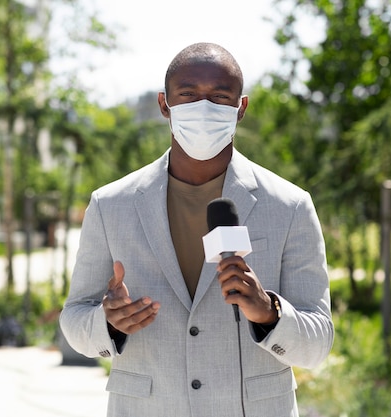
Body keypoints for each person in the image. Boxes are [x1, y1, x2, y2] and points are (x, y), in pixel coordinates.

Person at [59, 42, 334, 417]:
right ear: (164, 105)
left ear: (241, 109)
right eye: (188, 95)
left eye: (220, 97)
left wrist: (268, 312)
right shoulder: (111, 205)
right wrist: (106, 323)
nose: (203, 109)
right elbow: (74, 319)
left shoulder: (290, 205)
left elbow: (318, 343)